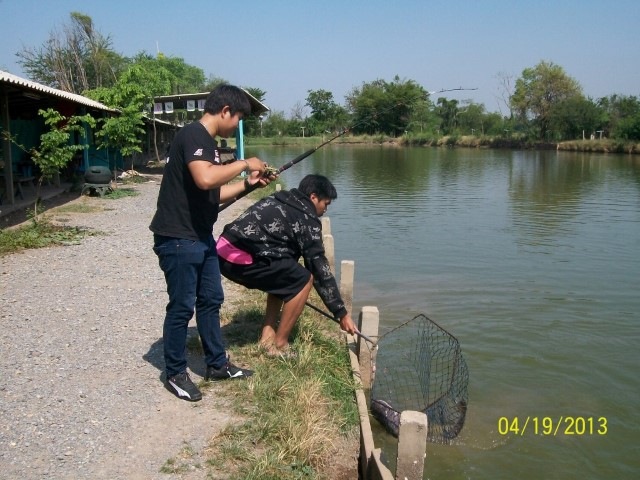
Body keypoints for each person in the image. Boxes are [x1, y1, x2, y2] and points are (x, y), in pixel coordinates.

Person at [149, 84, 274, 402]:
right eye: (239, 119)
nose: (237, 126)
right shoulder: (193, 134)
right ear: (226, 111)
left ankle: (217, 365)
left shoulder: (208, 144)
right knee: (181, 307)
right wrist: (245, 163)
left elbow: (212, 194)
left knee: (210, 300)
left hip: (200, 236)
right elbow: (206, 178)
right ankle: (175, 372)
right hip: (178, 238)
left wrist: (248, 185)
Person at [217, 174, 359, 357]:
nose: (325, 210)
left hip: (222, 252)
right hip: (240, 259)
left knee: (285, 274)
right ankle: (280, 344)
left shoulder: (280, 199)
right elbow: (318, 268)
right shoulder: (306, 217)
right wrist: (341, 313)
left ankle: (267, 335)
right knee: (303, 280)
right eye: (326, 204)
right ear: (313, 197)